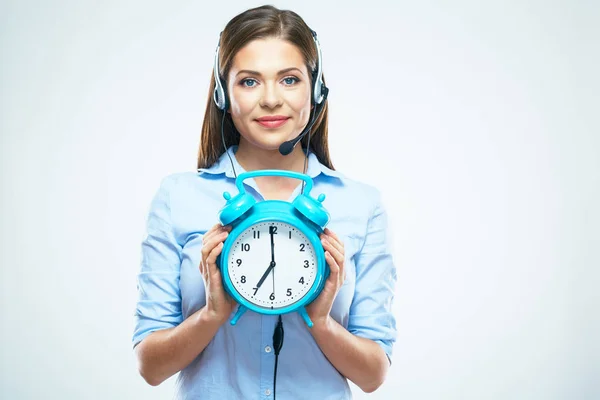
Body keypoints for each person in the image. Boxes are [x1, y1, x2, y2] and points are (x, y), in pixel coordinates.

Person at [132, 5, 397, 399]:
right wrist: (212, 314)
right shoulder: (178, 198)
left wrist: (321, 321)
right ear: (223, 93)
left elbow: (373, 375)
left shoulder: (361, 204)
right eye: (250, 82)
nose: (271, 100)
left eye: (289, 79)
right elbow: (150, 367)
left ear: (316, 87)